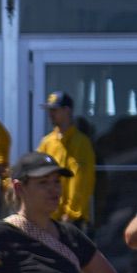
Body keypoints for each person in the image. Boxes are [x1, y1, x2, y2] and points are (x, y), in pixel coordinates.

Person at [36, 90, 96, 228]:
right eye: (49, 110)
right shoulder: (47, 142)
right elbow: (37, 175)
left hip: (72, 219)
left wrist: (71, 213)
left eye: (54, 110)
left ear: (67, 110)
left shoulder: (81, 143)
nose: (50, 114)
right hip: (49, 216)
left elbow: (82, 181)